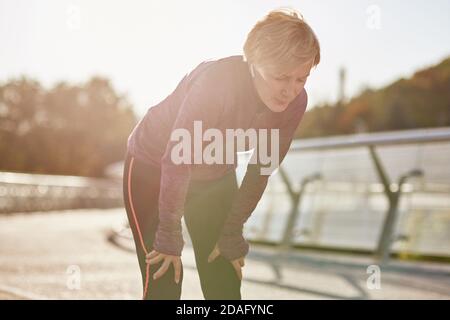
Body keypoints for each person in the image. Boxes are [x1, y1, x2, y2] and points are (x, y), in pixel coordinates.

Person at [123, 7, 320, 300]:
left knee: (224, 280)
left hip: (214, 174)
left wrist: (232, 230)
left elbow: (260, 170)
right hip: (154, 167)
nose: (290, 91)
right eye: (281, 77)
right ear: (254, 63)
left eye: (301, 79)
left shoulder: (294, 103)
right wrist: (169, 233)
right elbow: (177, 160)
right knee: (164, 278)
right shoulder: (216, 84)